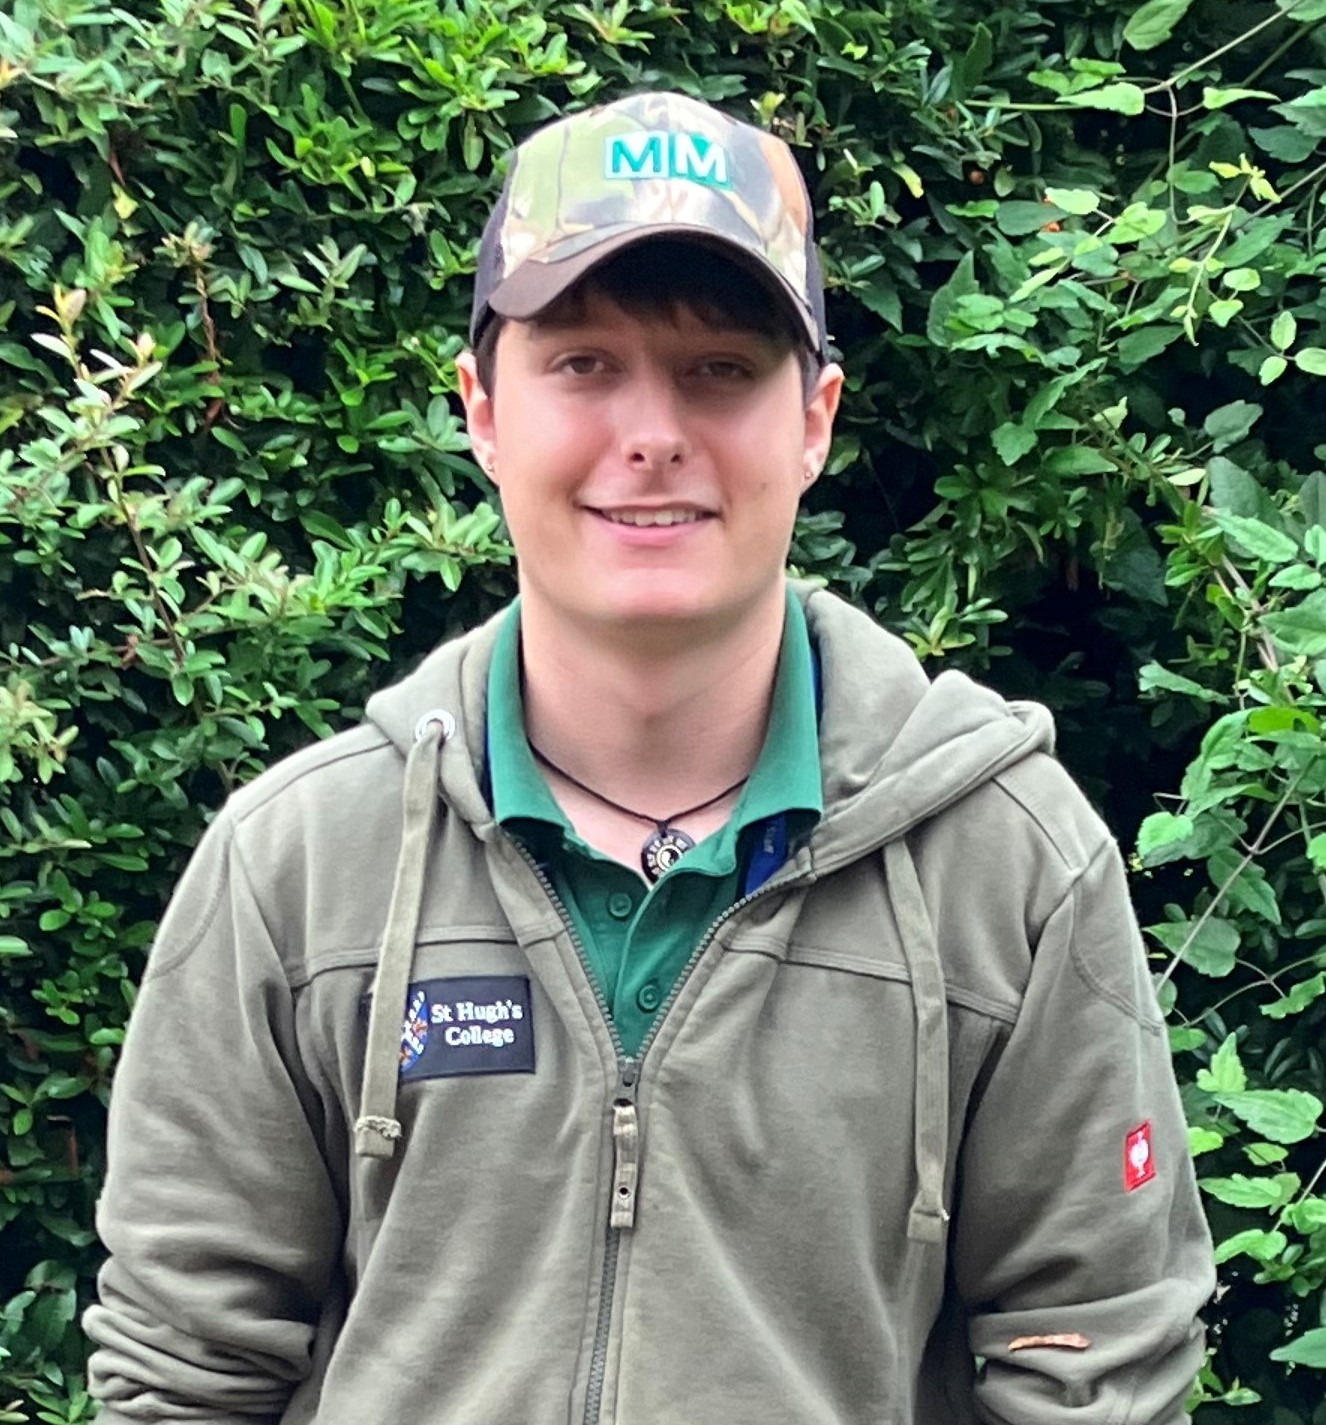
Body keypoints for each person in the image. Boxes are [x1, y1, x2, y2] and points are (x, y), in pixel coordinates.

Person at [85, 91, 1214, 1423]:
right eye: (582, 363)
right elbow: (183, 1373)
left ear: (814, 418)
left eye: (719, 368)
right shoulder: (298, 864)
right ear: (481, 410)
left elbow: (1093, 1367)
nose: (653, 431)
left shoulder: (1007, 865)